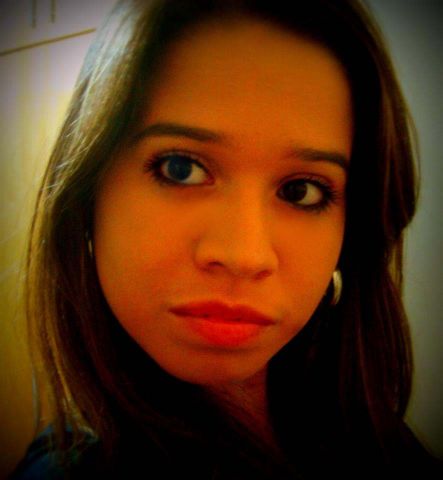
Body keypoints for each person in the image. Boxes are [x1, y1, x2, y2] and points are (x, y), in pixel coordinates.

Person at [10, 0, 441, 478]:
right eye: (181, 168)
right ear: (88, 195)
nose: (244, 255)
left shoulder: (371, 434)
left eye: (301, 191)